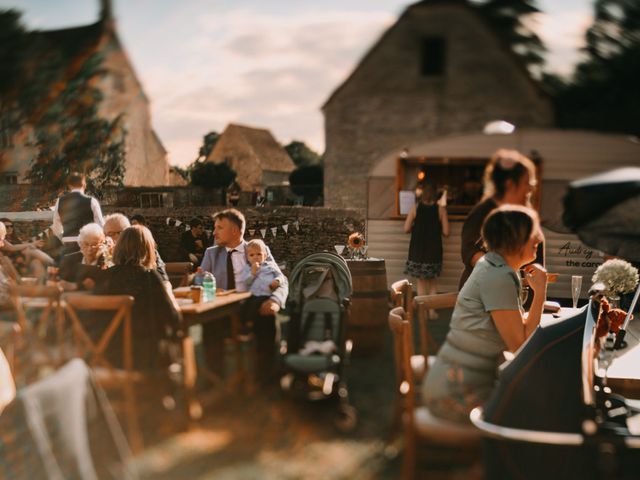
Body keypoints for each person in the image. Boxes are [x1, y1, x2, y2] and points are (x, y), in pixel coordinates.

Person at [423, 205, 547, 423]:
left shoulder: (491, 264)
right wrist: (541, 293)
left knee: (540, 400)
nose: (538, 238)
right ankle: (492, 456)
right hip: (456, 392)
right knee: (540, 411)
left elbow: (517, 332)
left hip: (456, 381)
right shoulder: (498, 276)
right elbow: (520, 347)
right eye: (532, 232)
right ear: (514, 239)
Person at [201, 209, 288, 382]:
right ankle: (215, 381)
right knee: (209, 326)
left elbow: (281, 279)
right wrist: (202, 283)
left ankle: (265, 379)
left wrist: (275, 300)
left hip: (253, 304)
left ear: (234, 230)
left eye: (219, 227)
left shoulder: (257, 249)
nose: (214, 232)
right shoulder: (211, 253)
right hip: (222, 308)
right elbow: (200, 282)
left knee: (267, 318)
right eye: (215, 227)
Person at [94, 226, 182, 370]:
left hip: (108, 357)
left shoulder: (104, 277)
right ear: (148, 249)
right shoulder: (149, 277)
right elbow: (173, 319)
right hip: (145, 360)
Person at [458, 149, 537, 289]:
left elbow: (534, 256)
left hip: (515, 293)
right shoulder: (483, 212)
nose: (531, 188)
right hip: (483, 294)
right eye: (526, 182)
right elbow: (470, 252)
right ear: (509, 184)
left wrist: (538, 293)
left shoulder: (526, 214)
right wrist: (502, 276)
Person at [403, 182, 449, 318]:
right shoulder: (441, 209)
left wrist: (415, 228)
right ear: (436, 196)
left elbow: (406, 229)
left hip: (418, 248)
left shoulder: (415, 208)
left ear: (422, 195)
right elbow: (446, 232)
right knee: (433, 281)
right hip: (433, 249)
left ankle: (423, 312)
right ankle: (432, 311)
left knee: (421, 282)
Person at [102, 213, 171, 289]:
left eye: (121, 233)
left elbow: (163, 280)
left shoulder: (146, 252)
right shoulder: (101, 255)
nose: (116, 238)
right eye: (108, 234)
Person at [51, 172, 104, 257]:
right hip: (87, 244)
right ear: (84, 184)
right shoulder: (91, 201)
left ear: (69, 185)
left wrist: (63, 237)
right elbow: (100, 225)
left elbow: (56, 225)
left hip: (68, 242)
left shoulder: (60, 201)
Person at [58, 223, 108, 290]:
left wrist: (76, 286)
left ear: (102, 244)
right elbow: (60, 283)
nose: (90, 249)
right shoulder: (68, 260)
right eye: (86, 244)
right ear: (80, 244)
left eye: (94, 244)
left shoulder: (107, 261)